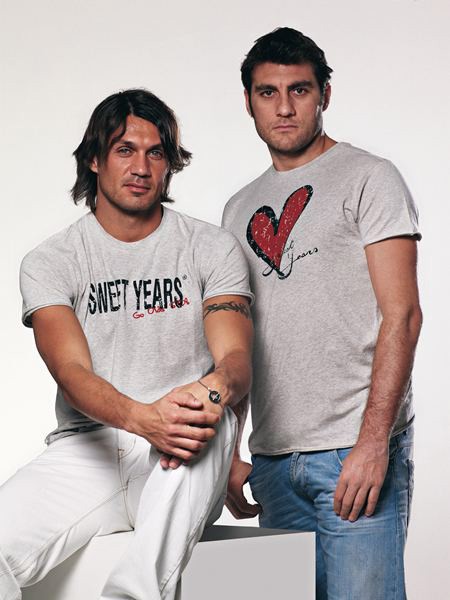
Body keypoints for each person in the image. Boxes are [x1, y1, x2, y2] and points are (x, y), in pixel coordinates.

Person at [0, 88, 253, 600]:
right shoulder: (52, 261)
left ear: (169, 164)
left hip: (182, 453)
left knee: (206, 417)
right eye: (124, 150)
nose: (141, 167)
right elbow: (71, 373)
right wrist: (142, 418)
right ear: (94, 159)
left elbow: (235, 360)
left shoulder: (210, 247)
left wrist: (206, 395)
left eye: (155, 152)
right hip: (88, 451)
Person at [223, 27, 422, 600]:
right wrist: (230, 452)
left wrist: (373, 443)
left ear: (324, 95)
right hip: (272, 460)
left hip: (351, 451)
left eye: (300, 90)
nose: (284, 108)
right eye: (268, 92)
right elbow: (239, 341)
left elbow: (404, 316)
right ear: (249, 102)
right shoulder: (237, 209)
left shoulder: (369, 177)